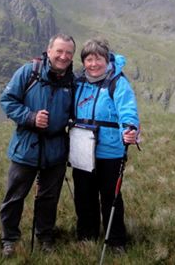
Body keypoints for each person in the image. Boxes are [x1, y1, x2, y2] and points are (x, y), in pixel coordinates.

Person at [0, 33, 76, 258]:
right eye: (59, 51)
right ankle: (9, 240)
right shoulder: (29, 72)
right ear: (49, 50)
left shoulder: (72, 81)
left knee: (49, 199)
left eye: (68, 53)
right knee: (14, 197)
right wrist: (31, 117)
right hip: (26, 147)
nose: (63, 56)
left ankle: (45, 237)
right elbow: (7, 101)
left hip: (56, 150)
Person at [71, 38, 140, 253]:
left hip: (110, 151)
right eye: (88, 59)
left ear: (106, 59)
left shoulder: (117, 83)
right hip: (82, 150)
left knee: (111, 198)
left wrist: (129, 129)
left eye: (98, 58)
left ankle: (116, 240)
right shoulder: (78, 82)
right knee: (84, 196)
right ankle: (87, 235)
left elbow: (127, 111)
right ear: (83, 62)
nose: (93, 64)